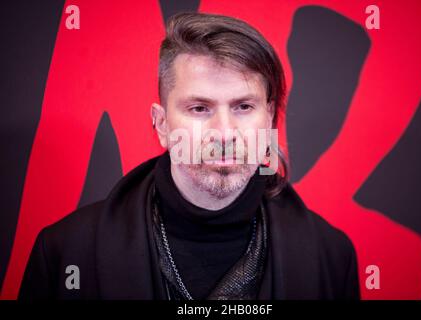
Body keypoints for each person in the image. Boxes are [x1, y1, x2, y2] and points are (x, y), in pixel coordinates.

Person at [19, 12, 360, 300]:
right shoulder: (66, 253)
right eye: (199, 108)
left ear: (269, 117)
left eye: (243, 106)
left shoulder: (331, 257)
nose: (224, 132)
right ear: (162, 124)